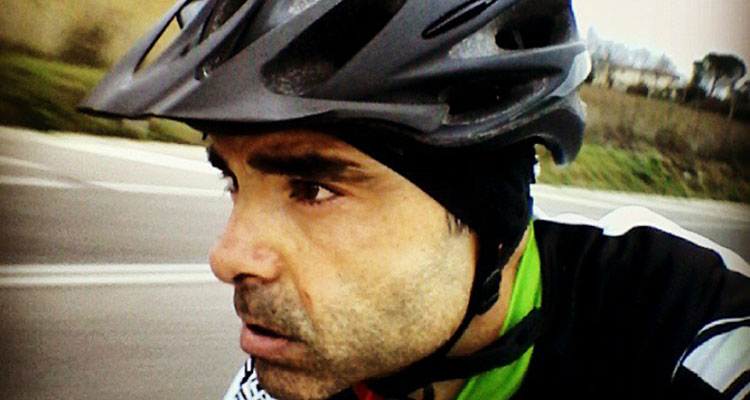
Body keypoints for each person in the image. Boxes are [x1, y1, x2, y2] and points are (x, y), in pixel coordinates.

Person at [79, 0, 750, 399]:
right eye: (232, 179)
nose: (227, 257)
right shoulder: (313, 362)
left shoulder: (684, 333)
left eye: (313, 188)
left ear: (488, 217)